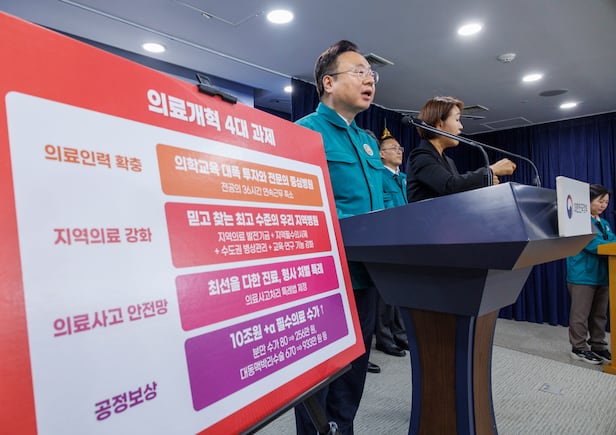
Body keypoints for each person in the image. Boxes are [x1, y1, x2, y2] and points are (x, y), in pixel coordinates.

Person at [294, 40, 383, 434]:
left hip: (369, 275)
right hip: (327, 281)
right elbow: (300, 209)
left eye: (371, 74)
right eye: (358, 71)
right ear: (328, 83)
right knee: (320, 378)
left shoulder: (367, 142)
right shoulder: (303, 133)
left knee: (353, 374)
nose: (369, 80)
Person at [406, 96, 516, 202]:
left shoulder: (449, 161)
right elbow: (449, 186)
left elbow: (457, 192)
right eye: (457, 120)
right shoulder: (420, 156)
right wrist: (491, 170)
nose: (461, 126)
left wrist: (485, 183)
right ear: (439, 124)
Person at [566, 184, 615, 364]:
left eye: (606, 202)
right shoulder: (578, 220)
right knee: (580, 314)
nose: (603, 205)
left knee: (599, 314)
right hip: (583, 275)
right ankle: (578, 348)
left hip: (603, 275)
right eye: (600, 201)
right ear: (588, 200)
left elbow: (612, 241)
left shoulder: (605, 223)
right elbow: (593, 244)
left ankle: (598, 345)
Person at [374, 129, 408, 357]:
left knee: (400, 292)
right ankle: (384, 339)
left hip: (405, 239)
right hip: (387, 239)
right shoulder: (378, 176)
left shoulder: (403, 178)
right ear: (381, 154)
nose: (399, 152)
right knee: (384, 295)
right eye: (393, 148)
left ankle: (400, 335)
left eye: (400, 148)